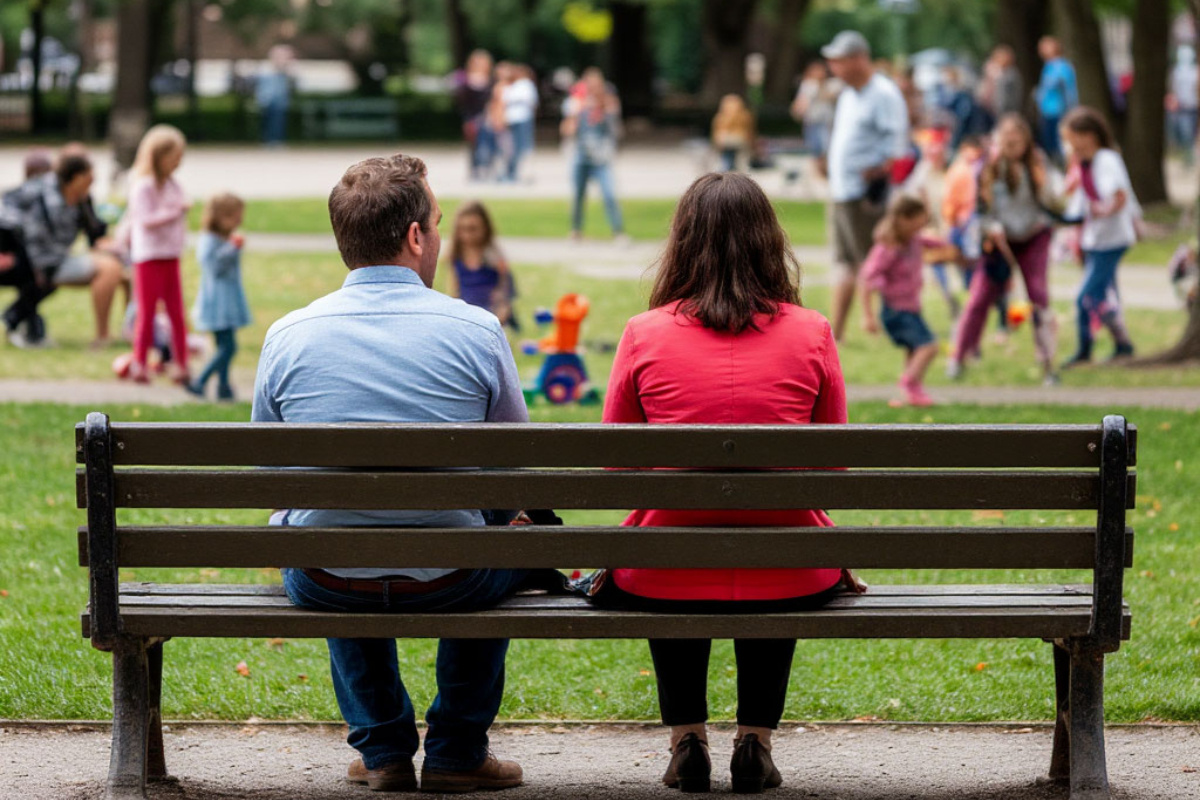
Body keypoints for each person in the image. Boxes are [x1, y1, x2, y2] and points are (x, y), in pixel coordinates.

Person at [255, 154, 528, 793]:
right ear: (414, 237)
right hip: (453, 578)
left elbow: (271, 474)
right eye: (434, 223)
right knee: (509, 537)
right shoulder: (478, 330)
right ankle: (457, 751)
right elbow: (515, 467)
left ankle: (382, 752)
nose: (436, 234)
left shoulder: (288, 335)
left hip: (327, 579)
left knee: (330, 535)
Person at [599, 172, 865, 795]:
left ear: (683, 243)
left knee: (668, 551)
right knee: (776, 551)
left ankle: (687, 740)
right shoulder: (813, 330)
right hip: (793, 566)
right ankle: (755, 742)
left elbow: (617, 466)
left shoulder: (645, 332)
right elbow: (832, 467)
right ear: (770, 243)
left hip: (662, 568)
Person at [948, 114, 1058, 384]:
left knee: (1038, 296)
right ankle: (958, 357)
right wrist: (992, 229)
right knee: (978, 299)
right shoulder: (988, 167)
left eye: (1016, 140)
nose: (1011, 145)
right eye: (1005, 140)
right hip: (998, 242)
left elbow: (1054, 202)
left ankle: (1047, 363)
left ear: (1025, 141)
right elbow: (981, 210)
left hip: (1033, 235)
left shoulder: (1038, 164)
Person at [821, 30, 910, 341]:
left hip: (864, 196)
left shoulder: (883, 94)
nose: (833, 67)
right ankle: (837, 334)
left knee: (872, 265)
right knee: (845, 263)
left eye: (839, 61)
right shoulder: (848, 94)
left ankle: (894, 325)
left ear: (859, 59)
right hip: (842, 191)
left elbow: (897, 148)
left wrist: (877, 174)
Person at [2, 150, 125, 348]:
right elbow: (8, 211)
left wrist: (109, 244)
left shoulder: (82, 200)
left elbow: (95, 233)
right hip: (30, 261)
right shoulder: (39, 192)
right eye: (90, 177)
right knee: (108, 268)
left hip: (56, 260)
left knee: (120, 266)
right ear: (77, 177)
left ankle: (130, 330)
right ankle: (102, 335)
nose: (93, 181)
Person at [1060, 107, 1139, 367]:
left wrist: (1102, 210)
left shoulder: (1105, 159)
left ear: (1088, 135)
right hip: (1095, 239)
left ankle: (1084, 350)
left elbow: (1118, 196)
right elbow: (1079, 201)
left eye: (1072, 138)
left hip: (1111, 240)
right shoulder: (1085, 163)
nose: (1070, 145)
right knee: (1105, 296)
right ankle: (1123, 344)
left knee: (1086, 296)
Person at [859, 195, 945, 407]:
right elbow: (866, 279)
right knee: (929, 347)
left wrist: (954, 246)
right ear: (905, 219)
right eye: (920, 220)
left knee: (914, 350)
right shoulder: (888, 248)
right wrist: (868, 316)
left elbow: (935, 243)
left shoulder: (914, 239)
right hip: (896, 311)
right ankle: (908, 383)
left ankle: (911, 395)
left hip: (911, 308)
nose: (923, 225)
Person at [125, 124, 192, 384]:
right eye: (175, 156)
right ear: (159, 156)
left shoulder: (173, 185)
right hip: (148, 257)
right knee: (147, 311)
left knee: (176, 311)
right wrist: (175, 211)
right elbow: (145, 220)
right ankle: (139, 362)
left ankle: (181, 363)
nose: (178, 162)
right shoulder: (142, 187)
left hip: (170, 254)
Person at [188, 193, 249, 401]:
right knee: (228, 348)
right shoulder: (209, 240)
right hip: (217, 304)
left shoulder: (223, 239)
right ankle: (200, 381)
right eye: (235, 217)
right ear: (220, 217)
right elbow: (213, 267)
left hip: (228, 302)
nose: (239, 222)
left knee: (225, 345)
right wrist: (232, 248)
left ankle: (224, 387)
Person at [561, 67, 626, 242]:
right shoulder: (578, 105)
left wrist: (610, 112)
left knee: (609, 194)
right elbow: (566, 130)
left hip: (601, 159)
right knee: (578, 196)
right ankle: (576, 230)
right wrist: (575, 115)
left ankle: (618, 231)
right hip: (581, 157)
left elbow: (617, 133)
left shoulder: (608, 105)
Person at [445, 200, 518, 330]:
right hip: (466, 317)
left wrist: (502, 312)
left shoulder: (493, 255)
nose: (467, 235)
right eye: (463, 229)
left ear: (485, 228)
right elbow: (455, 290)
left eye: (473, 229)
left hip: (491, 316)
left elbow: (506, 287)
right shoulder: (456, 255)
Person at [1036, 36, 1078, 165]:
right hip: (1047, 112)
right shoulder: (1048, 66)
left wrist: (1070, 112)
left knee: (1060, 147)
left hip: (1059, 112)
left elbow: (1068, 92)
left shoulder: (1062, 66)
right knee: (1050, 146)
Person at [790, 62, 840, 159]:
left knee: (827, 147)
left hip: (827, 122)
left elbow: (831, 96)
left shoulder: (832, 84)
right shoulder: (808, 85)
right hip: (812, 121)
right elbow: (801, 101)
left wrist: (820, 86)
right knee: (814, 148)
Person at [501, 64, 538, 183]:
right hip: (513, 119)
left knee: (523, 147)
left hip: (522, 119)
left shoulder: (526, 85)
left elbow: (531, 102)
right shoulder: (512, 85)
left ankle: (520, 173)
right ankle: (512, 172)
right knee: (514, 148)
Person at [256, 44, 294, 147]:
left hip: (280, 102)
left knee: (278, 122)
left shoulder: (285, 71)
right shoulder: (266, 69)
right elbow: (263, 88)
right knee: (268, 122)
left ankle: (277, 140)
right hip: (268, 101)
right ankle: (268, 141)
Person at [1168, 46, 1199, 165]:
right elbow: (1174, 89)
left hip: (1193, 107)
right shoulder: (1177, 72)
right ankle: (1187, 157)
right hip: (1182, 107)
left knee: (1191, 133)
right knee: (1184, 133)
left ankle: (1190, 157)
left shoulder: (1195, 71)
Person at [711, 94, 756, 172]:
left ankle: (726, 171)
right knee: (742, 161)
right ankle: (741, 175)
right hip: (740, 140)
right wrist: (751, 144)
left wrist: (716, 144)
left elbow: (716, 132)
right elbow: (749, 131)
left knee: (726, 159)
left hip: (725, 140)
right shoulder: (745, 115)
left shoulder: (721, 116)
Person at [979, 45, 1023, 121]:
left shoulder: (1011, 74)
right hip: (993, 109)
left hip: (1006, 111)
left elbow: (1008, 96)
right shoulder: (999, 73)